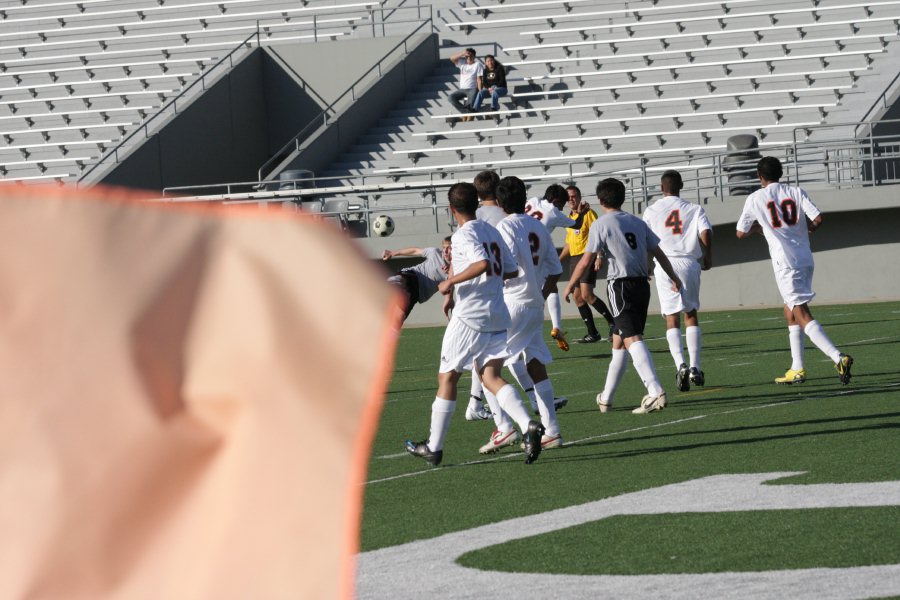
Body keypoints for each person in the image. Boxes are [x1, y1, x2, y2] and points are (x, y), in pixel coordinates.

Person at [404, 182, 545, 466]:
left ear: (451, 208)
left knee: (447, 377)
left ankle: (434, 446)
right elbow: (510, 269)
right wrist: (485, 281)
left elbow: (480, 263)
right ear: (476, 204)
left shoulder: (463, 234)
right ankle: (528, 425)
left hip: (471, 316)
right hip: (497, 312)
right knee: (490, 376)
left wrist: (450, 282)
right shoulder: (490, 230)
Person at [563, 178, 683, 415]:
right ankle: (606, 398)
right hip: (641, 286)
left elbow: (586, 259)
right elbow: (656, 252)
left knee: (631, 338)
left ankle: (655, 391)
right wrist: (673, 276)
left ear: (600, 199)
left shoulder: (601, 223)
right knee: (619, 340)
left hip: (620, 286)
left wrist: (571, 284)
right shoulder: (637, 222)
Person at [736, 156, 853, 385]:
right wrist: (808, 229)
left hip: (785, 262)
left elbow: (741, 232)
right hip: (805, 257)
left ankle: (838, 357)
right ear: (780, 173)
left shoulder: (755, 197)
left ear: (760, 177)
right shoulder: (796, 191)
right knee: (789, 310)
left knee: (800, 312)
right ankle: (797, 368)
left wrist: (760, 229)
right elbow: (818, 218)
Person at [479, 176, 566, 454]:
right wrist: (540, 293)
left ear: (501, 202)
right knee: (535, 363)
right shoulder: (538, 227)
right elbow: (556, 270)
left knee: (484, 365)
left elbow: (508, 267)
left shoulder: (504, 227)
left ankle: (505, 427)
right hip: (533, 304)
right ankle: (552, 431)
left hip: (511, 302)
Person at [642, 170, 713, 392]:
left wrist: (646, 263)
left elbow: (646, 239)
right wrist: (708, 254)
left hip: (665, 263)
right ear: (680, 185)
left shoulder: (652, 210)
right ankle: (695, 366)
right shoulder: (694, 208)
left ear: (662, 188)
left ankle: (680, 364)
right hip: (689, 262)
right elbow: (706, 231)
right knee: (690, 314)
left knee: (671, 318)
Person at [524, 184, 588, 352]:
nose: (562, 208)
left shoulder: (533, 200)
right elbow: (577, 224)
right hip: (538, 252)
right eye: (562, 204)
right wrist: (582, 212)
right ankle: (555, 326)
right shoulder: (553, 212)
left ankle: (554, 326)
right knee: (549, 286)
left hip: (519, 250)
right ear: (556, 200)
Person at [560, 184, 616, 344]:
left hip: (587, 257)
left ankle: (613, 324)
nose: (571, 199)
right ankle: (593, 333)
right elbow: (569, 243)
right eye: (568, 197)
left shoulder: (589, 213)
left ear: (579, 197)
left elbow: (597, 234)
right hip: (574, 259)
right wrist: (558, 260)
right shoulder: (570, 218)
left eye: (573, 196)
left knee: (586, 294)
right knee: (578, 297)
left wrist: (599, 255)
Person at [382, 238, 451, 323]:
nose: (446, 251)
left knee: (397, 320)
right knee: (401, 280)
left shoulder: (457, 268)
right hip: (415, 275)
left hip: (417, 294)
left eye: (449, 248)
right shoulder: (435, 253)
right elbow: (415, 251)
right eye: (444, 247)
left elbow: (448, 286)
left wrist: (448, 299)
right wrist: (392, 253)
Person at [448, 47, 483, 121]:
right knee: (450, 98)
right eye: (467, 56)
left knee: (470, 103)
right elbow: (451, 58)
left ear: (474, 56)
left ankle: (467, 115)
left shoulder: (478, 64)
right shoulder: (462, 62)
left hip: (472, 88)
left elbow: (479, 79)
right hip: (462, 89)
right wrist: (462, 53)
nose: (469, 57)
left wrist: (480, 91)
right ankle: (466, 112)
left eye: (471, 56)